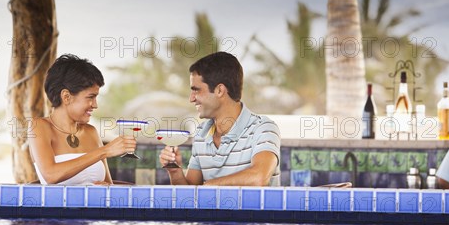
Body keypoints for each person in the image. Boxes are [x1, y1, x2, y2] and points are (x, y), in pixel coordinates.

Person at [159, 51, 281, 186]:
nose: (191, 98)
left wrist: (210, 186)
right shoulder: (201, 134)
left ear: (219, 90)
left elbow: (259, 178)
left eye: (196, 90)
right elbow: (190, 197)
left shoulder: (263, 128)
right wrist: (175, 172)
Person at [29, 54, 136, 185]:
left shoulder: (91, 132)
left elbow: (109, 185)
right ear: (66, 96)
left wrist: (106, 186)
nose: (95, 104)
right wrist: (104, 151)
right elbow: (51, 175)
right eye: (90, 97)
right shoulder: (39, 127)